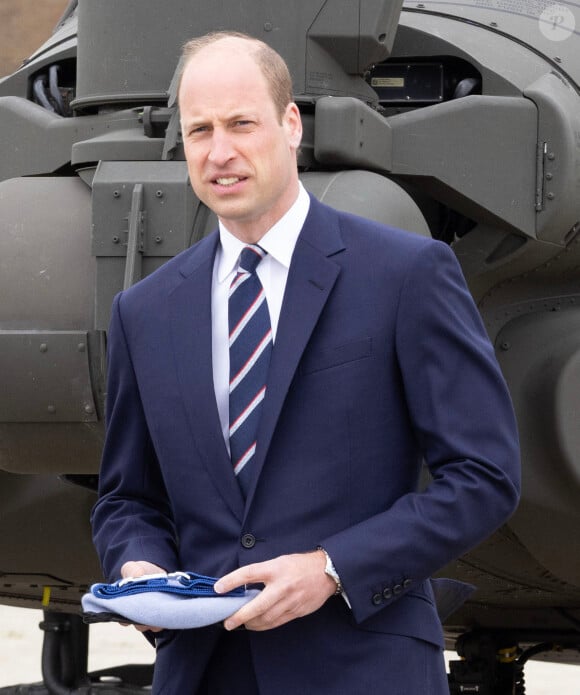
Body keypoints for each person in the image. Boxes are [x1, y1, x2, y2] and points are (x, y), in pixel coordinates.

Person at [91, 31, 520, 694]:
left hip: (363, 668)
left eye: (241, 123)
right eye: (200, 130)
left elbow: (485, 476)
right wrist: (140, 566)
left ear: (291, 124)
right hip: (203, 671)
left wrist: (332, 567)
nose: (221, 152)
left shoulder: (406, 274)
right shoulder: (143, 312)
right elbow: (127, 496)